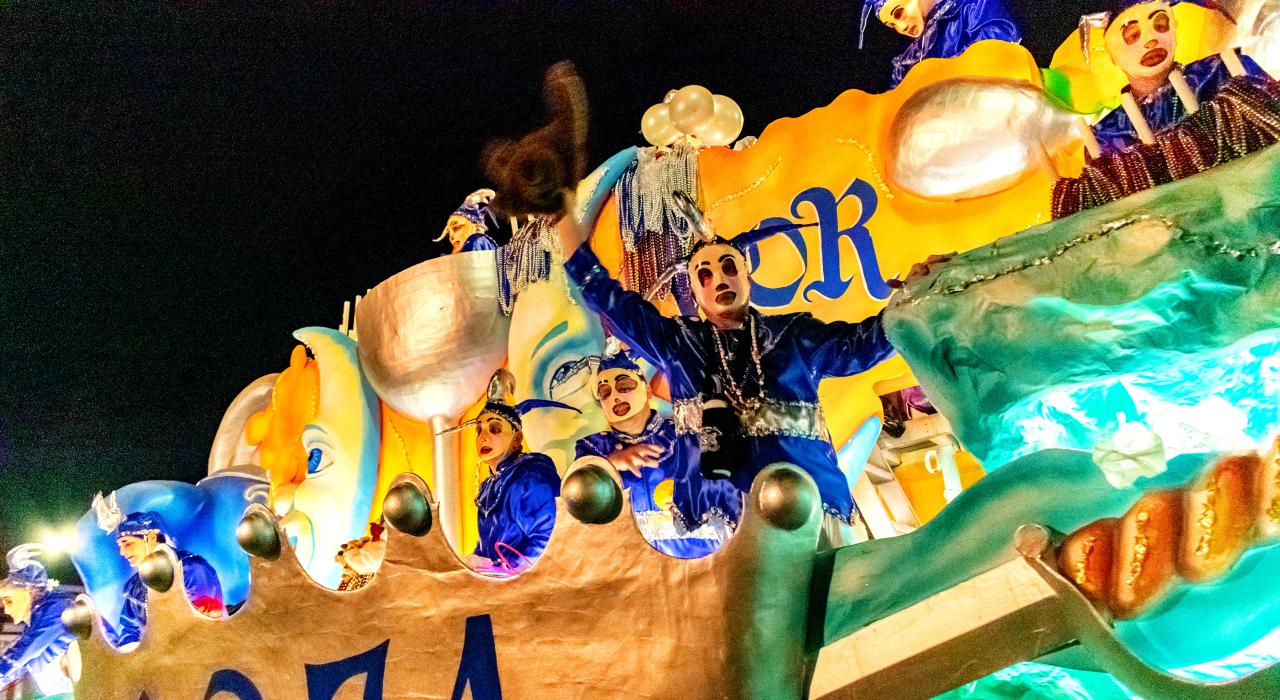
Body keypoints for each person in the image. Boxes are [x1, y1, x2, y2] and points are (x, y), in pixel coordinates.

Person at [556, 194, 897, 547]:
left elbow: (865, 344)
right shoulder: (680, 343)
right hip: (720, 527)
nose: (719, 280)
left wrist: (918, 294)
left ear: (746, 276)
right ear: (694, 291)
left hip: (812, 513)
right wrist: (560, 217)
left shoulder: (792, 334)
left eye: (729, 268)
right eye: (704, 275)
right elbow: (605, 295)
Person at [572, 342, 730, 557]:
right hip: (634, 567)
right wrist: (610, 464)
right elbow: (577, 494)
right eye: (604, 393)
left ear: (646, 389)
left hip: (701, 560)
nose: (615, 397)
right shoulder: (592, 448)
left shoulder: (686, 434)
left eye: (625, 386)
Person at [441, 370, 578, 574]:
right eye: (479, 430)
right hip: (498, 587)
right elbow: (486, 544)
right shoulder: (489, 486)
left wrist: (500, 569)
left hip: (534, 587)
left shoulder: (532, 476)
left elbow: (548, 540)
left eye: (494, 429)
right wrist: (472, 564)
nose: (483, 437)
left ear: (517, 438)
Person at [91, 492, 225, 647]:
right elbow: (130, 630)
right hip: (156, 664)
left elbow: (205, 622)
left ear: (152, 537)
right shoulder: (134, 586)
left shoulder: (190, 568)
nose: (122, 552)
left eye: (127, 544)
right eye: (120, 546)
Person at [861, 0, 1022, 88]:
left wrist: (939, 74)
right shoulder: (908, 62)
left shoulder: (972, 6)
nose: (901, 27)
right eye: (892, 25)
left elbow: (1001, 37)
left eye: (899, 13)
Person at [0, 546, 74, 696]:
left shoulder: (57, 607)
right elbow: (20, 664)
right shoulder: (38, 618)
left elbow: (23, 653)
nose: (7, 610)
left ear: (28, 590)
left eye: (9, 601)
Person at [436, 188, 500, 253]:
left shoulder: (475, 241)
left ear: (476, 226)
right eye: (449, 234)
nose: (451, 237)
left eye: (456, 228)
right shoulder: (487, 245)